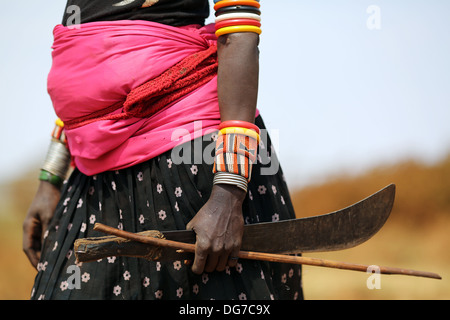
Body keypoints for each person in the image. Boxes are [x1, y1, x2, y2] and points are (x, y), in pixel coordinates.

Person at [23, 0, 303, 300]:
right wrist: (51, 175)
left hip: (188, 158)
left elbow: (239, 31)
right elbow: (96, 86)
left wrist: (229, 191)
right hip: (92, 176)